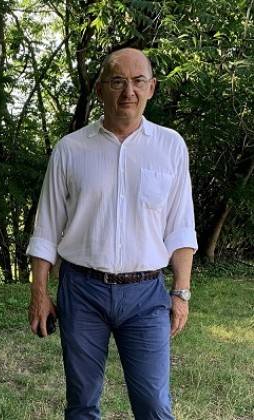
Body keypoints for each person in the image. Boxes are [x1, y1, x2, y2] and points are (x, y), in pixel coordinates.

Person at [27, 48, 197, 420]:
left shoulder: (170, 147)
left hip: (146, 295)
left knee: (154, 405)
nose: (128, 92)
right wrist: (39, 293)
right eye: (117, 81)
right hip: (82, 292)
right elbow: (47, 227)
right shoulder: (70, 150)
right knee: (83, 403)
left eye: (138, 82)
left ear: (151, 88)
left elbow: (181, 226)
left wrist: (181, 292)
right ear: (100, 88)